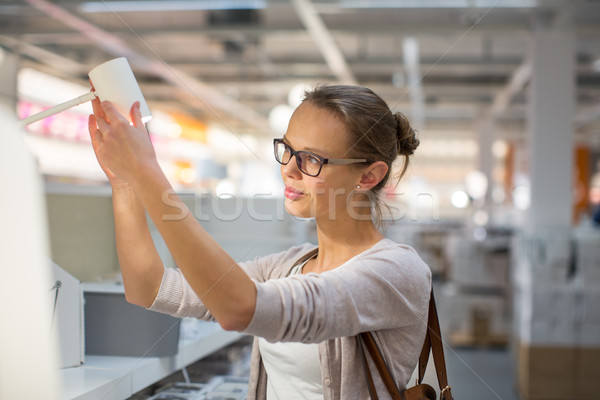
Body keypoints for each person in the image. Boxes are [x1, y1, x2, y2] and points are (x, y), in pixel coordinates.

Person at [88, 85, 431, 400]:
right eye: (289, 149)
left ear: (369, 176)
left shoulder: (397, 272)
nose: (289, 170)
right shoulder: (288, 267)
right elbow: (149, 288)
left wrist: (148, 172)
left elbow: (240, 308)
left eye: (312, 159)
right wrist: (125, 182)